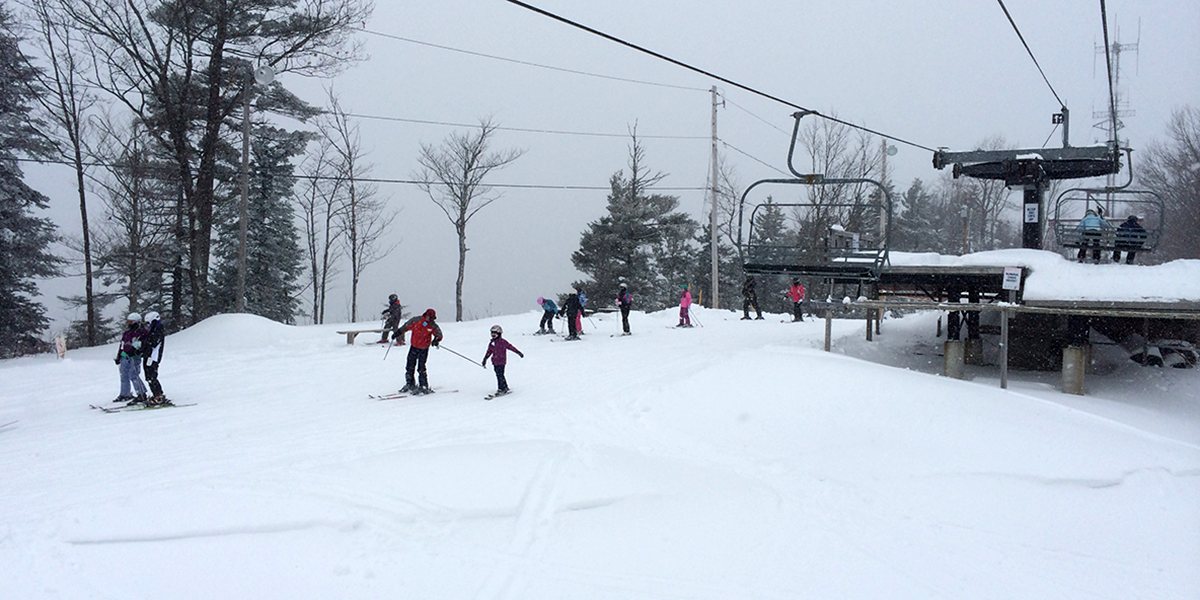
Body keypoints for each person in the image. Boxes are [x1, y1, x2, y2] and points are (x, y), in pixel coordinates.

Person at [395, 308, 443, 395]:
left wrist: (436, 339)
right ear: (426, 315)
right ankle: (410, 384)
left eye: (433, 319)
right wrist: (398, 332)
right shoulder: (416, 320)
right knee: (409, 365)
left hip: (424, 349)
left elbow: (439, 334)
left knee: (421, 367)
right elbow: (406, 326)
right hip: (414, 347)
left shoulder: (432, 325)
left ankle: (423, 386)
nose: (431, 320)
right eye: (430, 318)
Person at [113, 312, 148, 404]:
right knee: (123, 375)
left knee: (133, 375)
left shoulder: (142, 332)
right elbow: (123, 344)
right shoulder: (127, 333)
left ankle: (141, 393)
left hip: (134, 356)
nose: (129, 324)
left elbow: (143, 344)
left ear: (137, 322)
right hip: (125, 356)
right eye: (128, 322)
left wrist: (138, 351)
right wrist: (119, 355)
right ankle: (125, 394)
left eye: (131, 322)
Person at [482, 325, 524, 396]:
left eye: (495, 333)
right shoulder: (492, 343)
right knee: (499, 374)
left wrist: (518, 352)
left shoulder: (503, 342)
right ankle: (505, 387)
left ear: (499, 333)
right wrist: (485, 359)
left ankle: (501, 389)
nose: (493, 335)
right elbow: (489, 352)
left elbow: (511, 347)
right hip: (495, 362)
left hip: (501, 361)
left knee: (500, 375)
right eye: (492, 333)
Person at [141, 311, 169, 405]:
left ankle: (158, 395)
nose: (148, 325)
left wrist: (144, 346)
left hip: (153, 357)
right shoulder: (154, 329)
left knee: (151, 376)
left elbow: (153, 343)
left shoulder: (158, 329)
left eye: (149, 323)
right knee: (150, 376)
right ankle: (157, 394)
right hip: (150, 356)